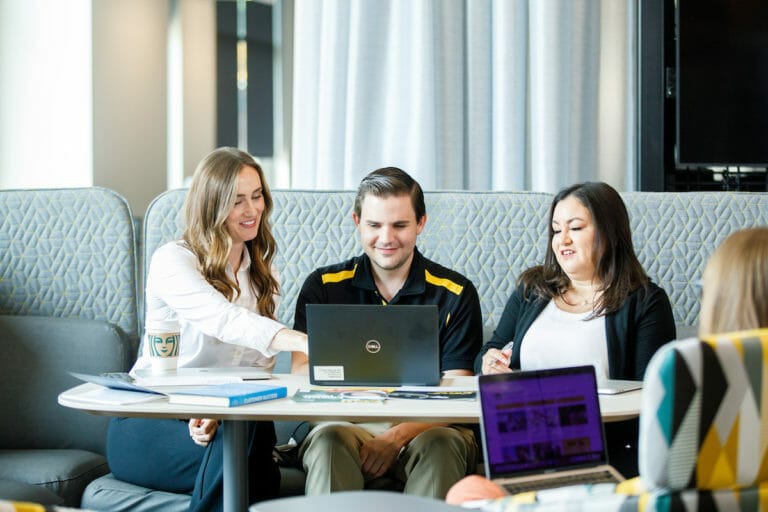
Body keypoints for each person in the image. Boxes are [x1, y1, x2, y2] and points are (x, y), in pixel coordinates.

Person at [446, 226, 768, 505]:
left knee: (467, 493)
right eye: (557, 229)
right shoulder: (736, 373)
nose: (563, 239)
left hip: (629, 495)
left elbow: (662, 485)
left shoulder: (695, 371)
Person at [106, 147, 308, 512]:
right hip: (152, 418)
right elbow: (224, 320)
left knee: (252, 435)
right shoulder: (174, 260)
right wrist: (304, 341)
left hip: (225, 422)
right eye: (237, 201)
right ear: (212, 206)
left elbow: (255, 372)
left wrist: (217, 410)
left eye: (257, 196)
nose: (252, 211)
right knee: (251, 469)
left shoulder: (264, 277)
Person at [291, 167, 484, 498]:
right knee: (328, 439)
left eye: (400, 225)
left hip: (430, 426)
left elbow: (456, 394)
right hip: (345, 423)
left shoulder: (455, 292)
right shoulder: (323, 286)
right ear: (357, 222)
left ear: (421, 223)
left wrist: (395, 437)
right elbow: (301, 373)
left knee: (442, 443)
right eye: (374, 225)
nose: (386, 238)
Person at [479, 181, 675, 473]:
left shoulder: (646, 301)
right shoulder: (531, 290)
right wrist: (488, 362)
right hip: (520, 443)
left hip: (602, 453)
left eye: (576, 228)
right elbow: (489, 349)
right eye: (557, 230)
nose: (563, 240)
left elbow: (652, 394)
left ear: (610, 233)